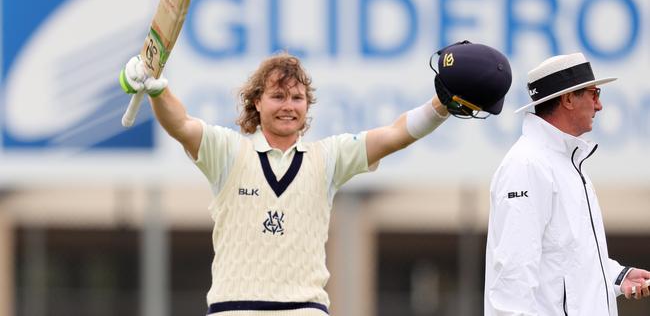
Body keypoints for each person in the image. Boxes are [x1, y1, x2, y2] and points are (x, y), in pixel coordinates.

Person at [120, 41, 512, 315]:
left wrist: (440, 106)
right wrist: (158, 90)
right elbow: (181, 125)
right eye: (278, 96)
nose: (288, 107)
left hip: (304, 309)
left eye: (297, 98)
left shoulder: (328, 158)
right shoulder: (228, 151)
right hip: (233, 308)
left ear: (307, 107)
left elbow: (394, 134)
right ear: (256, 102)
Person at [484, 52, 650, 315]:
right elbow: (512, 276)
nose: (599, 106)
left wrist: (617, 276)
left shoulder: (564, 162)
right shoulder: (528, 164)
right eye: (594, 94)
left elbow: (567, 257)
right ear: (568, 98)